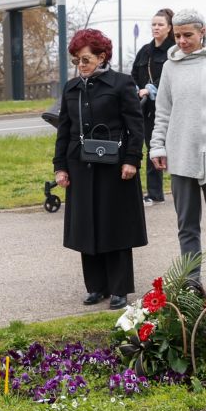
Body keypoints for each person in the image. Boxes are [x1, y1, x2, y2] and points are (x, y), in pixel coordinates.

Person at [53, 28, 148, 310]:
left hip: (115, 166)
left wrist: (132, 159)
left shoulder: (121, 84)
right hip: (80, 165)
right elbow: (64, 130)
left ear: (101, 57)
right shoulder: (71, 88)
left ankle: (119, 289)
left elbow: (135, 125)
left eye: (84, 60)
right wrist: (60, 167)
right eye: (76, 61)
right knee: (87, 226)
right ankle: (96, 286)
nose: (80, 66)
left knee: (114, 225)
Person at [149, 9, 206, 300]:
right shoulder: (170, 67)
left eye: (188, 34)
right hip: (181, 154)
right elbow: (162, 110)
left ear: (202, 32)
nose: (182, 41)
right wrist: (157, 145)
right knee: (186, 224)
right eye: (177, 35)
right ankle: (190, 283)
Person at [131, 8, 176, 207]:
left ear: (169, 28)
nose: (156, 28)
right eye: (154, 24)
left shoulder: (174, 50)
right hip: (142, 107)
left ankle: (156, 193)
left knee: (154, 147)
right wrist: (136, 89)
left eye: (160, 25)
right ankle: (139, 191)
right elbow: (133, 73)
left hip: (163, 107)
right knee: (137, 146)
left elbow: (170, 75)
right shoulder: (145, 51)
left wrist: (152, 88)